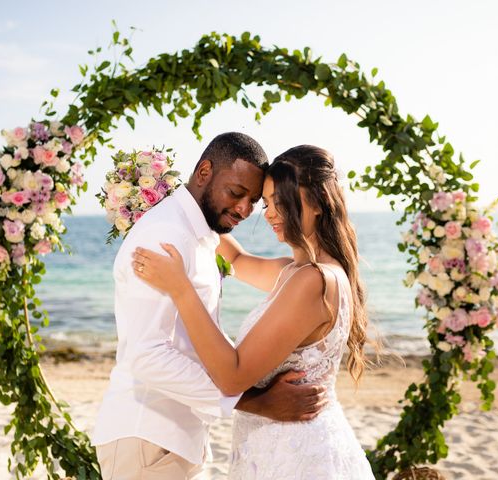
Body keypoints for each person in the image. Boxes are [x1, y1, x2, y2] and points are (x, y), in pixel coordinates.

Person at [93, 134, 328, 480]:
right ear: (204, 172)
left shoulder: (203, 235)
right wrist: (256, 401)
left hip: (177, 437)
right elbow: (146, 355)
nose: (245, 210)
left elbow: (247, 267)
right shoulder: (164, 237)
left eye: (253, 200)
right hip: (147, 436)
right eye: (236, 194)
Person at [132, 144, 376, 479]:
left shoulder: (312, 282)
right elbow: (236, 260)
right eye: (268, 203)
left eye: (282, 202)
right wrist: (173, 202)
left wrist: (180, 289)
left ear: (318, 203)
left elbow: (232, 377)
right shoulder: (303, 272)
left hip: (294, 456)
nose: (270, 214)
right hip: (284, 446)